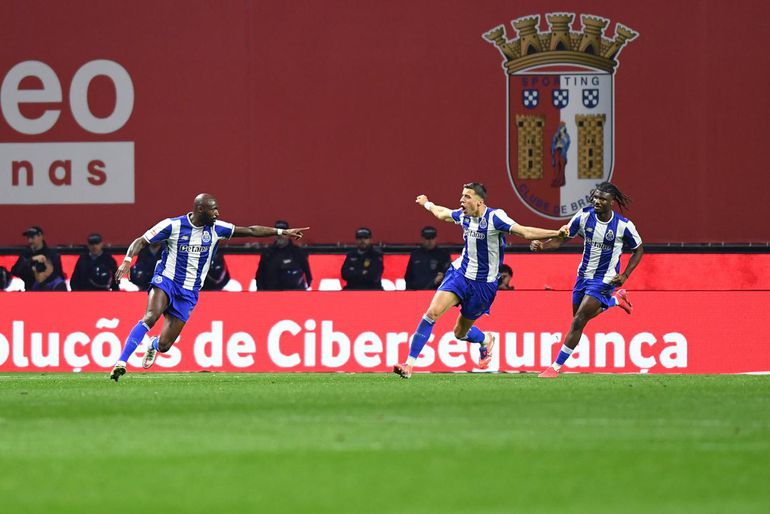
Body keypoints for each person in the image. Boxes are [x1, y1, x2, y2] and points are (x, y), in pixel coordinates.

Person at [109, 193, 309, 381]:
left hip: (189, 290)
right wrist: (127, 260)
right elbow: (141, 241)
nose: (217, 213)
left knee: (165, 345)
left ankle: (153, 344)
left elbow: (249, 230)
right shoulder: (172, 225)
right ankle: (121, 362)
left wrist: (282, 232)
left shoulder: (217, 228)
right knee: (150, 317)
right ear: (200, 209)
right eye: (213, 210)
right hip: (166, 279)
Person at [393, 182, 568, 378]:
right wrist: (427, 203)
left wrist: (556, 233)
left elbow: (525, 231)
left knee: (459, 333)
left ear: (479, 202)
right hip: (460, 275)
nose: (461, 200)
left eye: (467, 197)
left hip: (483, 286)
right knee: (431, 313)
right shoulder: (463, 216)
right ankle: (409, 365)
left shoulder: (495, 217)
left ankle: (485, 339)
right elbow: (442, 213)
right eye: (462, 196)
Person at [530, 181, 643, 378]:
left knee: (578, 321)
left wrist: (625, 275)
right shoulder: (583, 216)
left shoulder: (624, 226)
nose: (597, 201)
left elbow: (638, 250)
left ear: (612, 202)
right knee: (579, 317)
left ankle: (555, 367)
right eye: (596, 197)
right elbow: (562, 238)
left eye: (602, 199)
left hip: (604, 280)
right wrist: (543, 246)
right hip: (582, 277)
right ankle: (617, 300)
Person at [255, 220, 312, 290]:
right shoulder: (267, 254)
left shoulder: (297, 253)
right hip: (271, 295)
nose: (280, 235)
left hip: (293, 295)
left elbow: (308, 276)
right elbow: (260, 276)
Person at [10, 225, 67, 291]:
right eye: (28, 238)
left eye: (32, 237)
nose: (30, 241)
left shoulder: (52, 254)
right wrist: (31, 260)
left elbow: (58, 274)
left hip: (49, 292)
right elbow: (15, 271)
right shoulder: (25, 254)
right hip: (30, 291)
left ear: (40, 236)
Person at [404, 226, 451, 290]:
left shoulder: (443, 255)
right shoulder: (416, 254)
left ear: (436, 238)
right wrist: (408, 290)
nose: (430, 241)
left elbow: (449, 276)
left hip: (435, 292)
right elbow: (408, 275)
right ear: (422, 239)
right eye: (427, 238)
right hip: (416, 292)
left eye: (432, 238)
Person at [551, 121, 570, 188]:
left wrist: (562, 142)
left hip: (562, 152)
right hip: (556, 151)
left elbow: (567, 143)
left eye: (563, 126)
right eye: (561, 126)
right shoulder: (556, 135)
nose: (561, 128)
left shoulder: (566, 135)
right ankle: (556, 180)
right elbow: (553, 143)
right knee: (557, 166)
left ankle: (561, 181)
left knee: (562, 167)